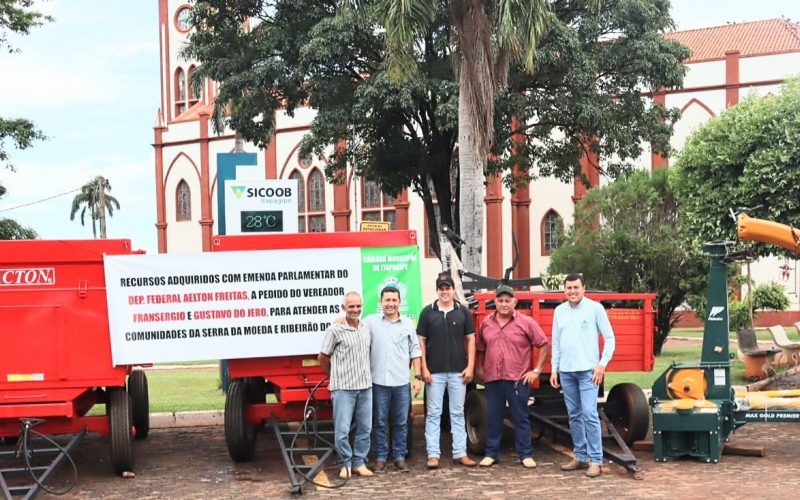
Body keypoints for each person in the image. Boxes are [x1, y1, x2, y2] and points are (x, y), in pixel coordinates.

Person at [475, 284, 550, 469]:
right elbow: (480, 348)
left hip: (517, 379)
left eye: (507, 300)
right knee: (494, 417)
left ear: (515, 302)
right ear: (495, 302)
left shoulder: (526, 322)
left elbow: (544, 344)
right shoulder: (486, 323)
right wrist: (479, 368)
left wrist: (536, 370)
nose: (504, 304)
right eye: (500, 300)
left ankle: (525, 455)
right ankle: (491, 454)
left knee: (520, 417)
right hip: (493, 378)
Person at [550, 273, 616, 478]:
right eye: (569, 288)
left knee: (589, 414)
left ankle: (596, 460)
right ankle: (579, 456)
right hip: (567, 372)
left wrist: (601, 365)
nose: (572, 291)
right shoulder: (559, 311)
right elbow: (556, 343)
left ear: (584, 288)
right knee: (574, 415)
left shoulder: (595, 309)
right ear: (564, 290)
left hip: (589, 372)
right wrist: (555, 368)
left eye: (576, 288)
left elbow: (610, 338)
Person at [416, 271, 477, 469]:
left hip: (458, 372)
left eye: (448, 288)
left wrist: (470, 366)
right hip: (434, 372)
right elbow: (421, 342)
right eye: (441, 289)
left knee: (457, 413)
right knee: (434, 413)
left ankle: (460, 453)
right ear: (437, 291)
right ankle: (433, 454)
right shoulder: (427, 312)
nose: (445, 292)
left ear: (453, 290)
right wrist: (424, 367)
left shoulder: (463, 312)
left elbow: (471, 340)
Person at [365, 286, 423, 473]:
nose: (390, 304)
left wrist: (418, 378)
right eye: (387, 300)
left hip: (401, 382)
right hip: (378, 382)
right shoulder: (370, 323)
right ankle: (381, 457)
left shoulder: (407, 324)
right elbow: (352, 325)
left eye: (394, 300)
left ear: (399, 302)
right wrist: (341, 320)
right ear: (380, 302)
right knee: (379, 422)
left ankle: (399, 456)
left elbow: (415, 351)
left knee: (401, 421)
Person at [319, 291, 374, 480]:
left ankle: (359, 462)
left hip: (365, 387)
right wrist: (333, 377)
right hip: (343, 389)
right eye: (351, 306)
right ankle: (345, 464)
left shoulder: (366, 327)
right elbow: (323, 357)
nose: (355, 309)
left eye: (358, 306)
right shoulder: (334, 330)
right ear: (344, 308)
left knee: (365, 428)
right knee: (342, 430)